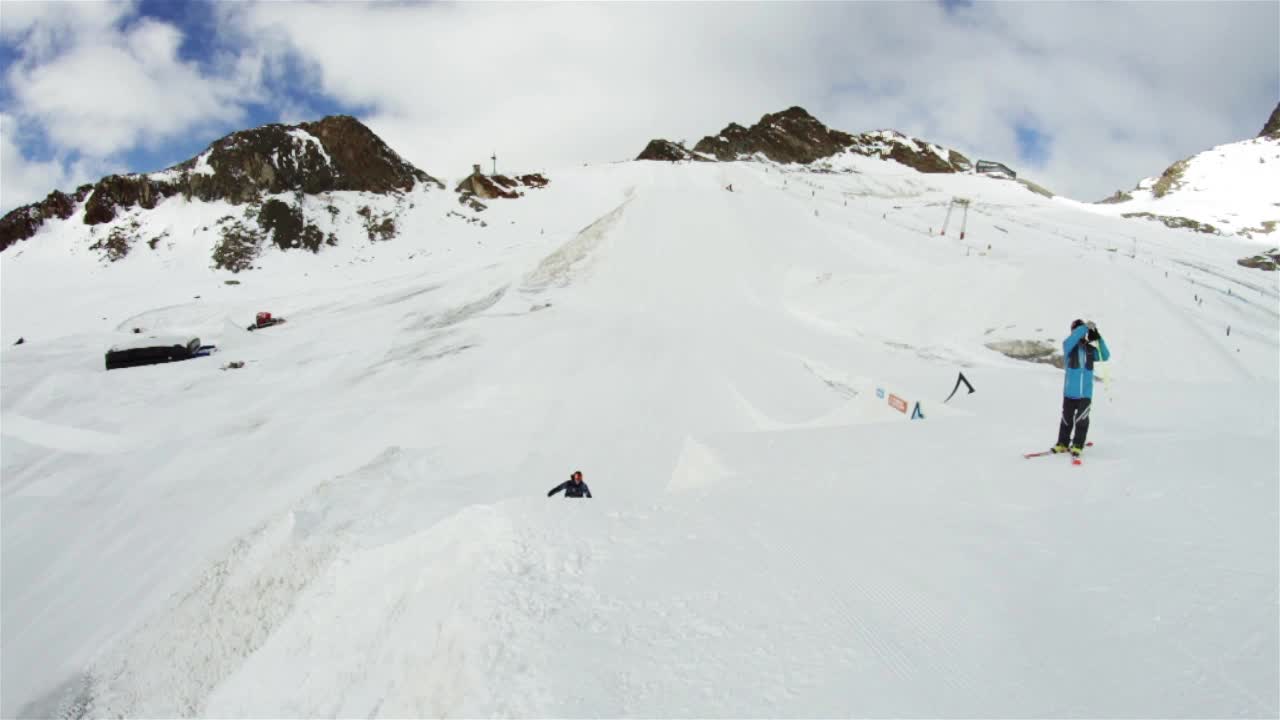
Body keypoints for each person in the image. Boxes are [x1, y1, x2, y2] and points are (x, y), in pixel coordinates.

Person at [1054, 319, 1111, 456]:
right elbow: (1072, 338)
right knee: (1066, 420)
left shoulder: (1090, 350)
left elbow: (1105, 355)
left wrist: (1098, 336)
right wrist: (1085, 327)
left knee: (1081, 419)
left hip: (1085, 394)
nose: (1079, 334)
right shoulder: (1068, 346)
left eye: (1082, 331)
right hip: (1069, 393)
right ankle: (1062, 443)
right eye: (1076, 331)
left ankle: (1078, 445)